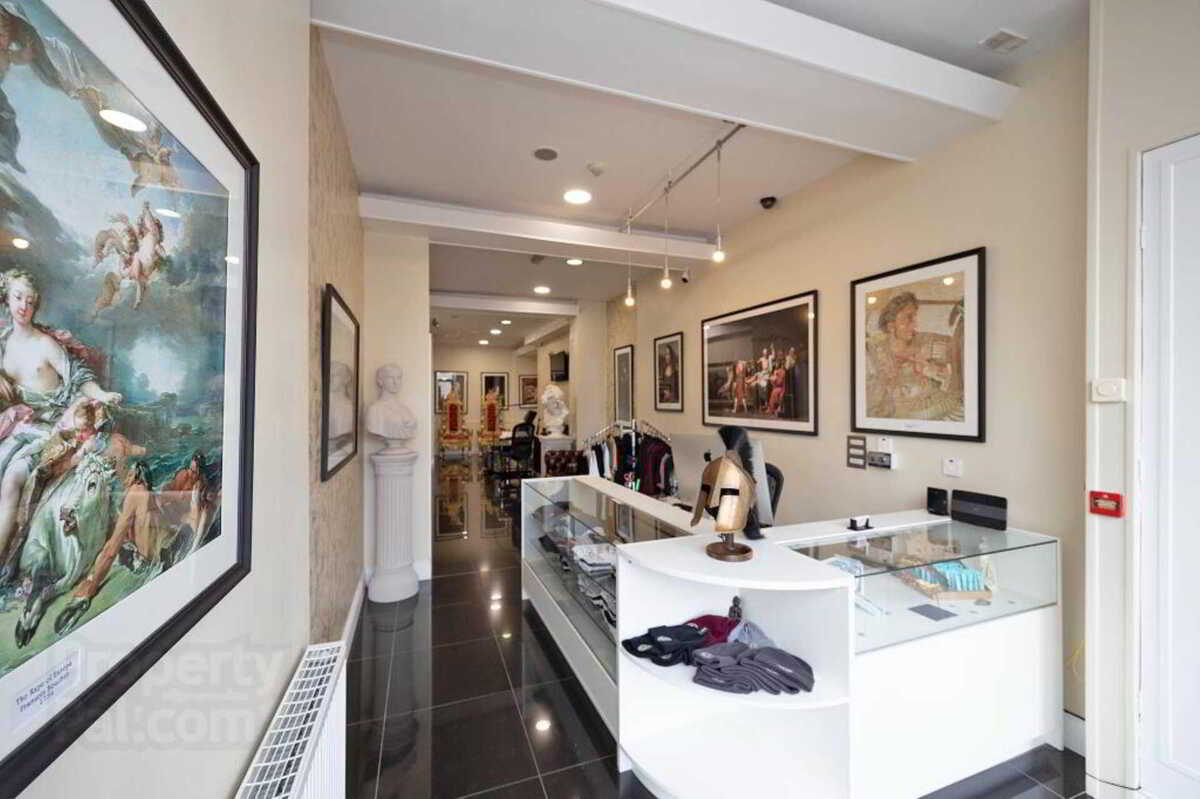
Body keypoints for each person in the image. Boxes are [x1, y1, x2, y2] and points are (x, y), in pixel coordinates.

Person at [0, 269, 122, 583]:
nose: (23, 306)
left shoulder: (46, 344)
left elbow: (79, 378)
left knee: (12, 478)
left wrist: (101, 394)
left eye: (30, 301)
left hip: (51, 430)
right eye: (18, 298)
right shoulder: (2, 342)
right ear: (6, 298)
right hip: (17, 427)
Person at [55, 460, 162, 633]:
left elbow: (112, 548)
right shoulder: (150, 493)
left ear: (136, 477)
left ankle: (85, 593)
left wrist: (90, 587)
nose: (125, 478)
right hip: (153, 560)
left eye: (129, 475)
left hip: (142, 565)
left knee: (109, 547)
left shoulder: (134, 494)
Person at [866, 291, 959, 420]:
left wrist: (930, 369)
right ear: (891, 325)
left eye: (914, 317)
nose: (915, 324)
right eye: (909, 318)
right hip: (899, 420)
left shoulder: (931, 342)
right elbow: (872, 401)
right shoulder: (874, 352)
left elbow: (957, 379)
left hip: (942, 414)